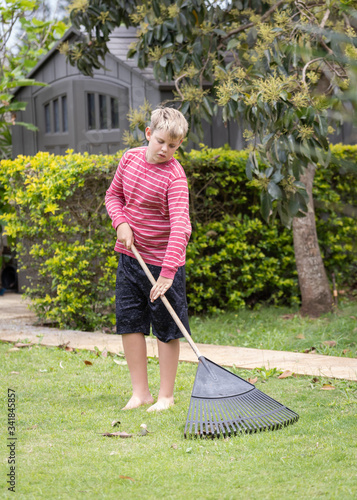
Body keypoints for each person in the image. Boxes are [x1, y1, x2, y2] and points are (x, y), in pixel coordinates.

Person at [105, 107, 191, 412]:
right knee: (130, 323)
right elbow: (113, 197)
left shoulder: (175, 177)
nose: (165, 150)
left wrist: (168, 273)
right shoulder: (129, 159)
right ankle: (140, 393)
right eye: (160, 142)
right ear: (148, 134)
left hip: (163, 265)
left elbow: (181, 226)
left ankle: (166, 396)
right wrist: (121, 223)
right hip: (130, 259)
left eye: (173, 146)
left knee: (166, 328)